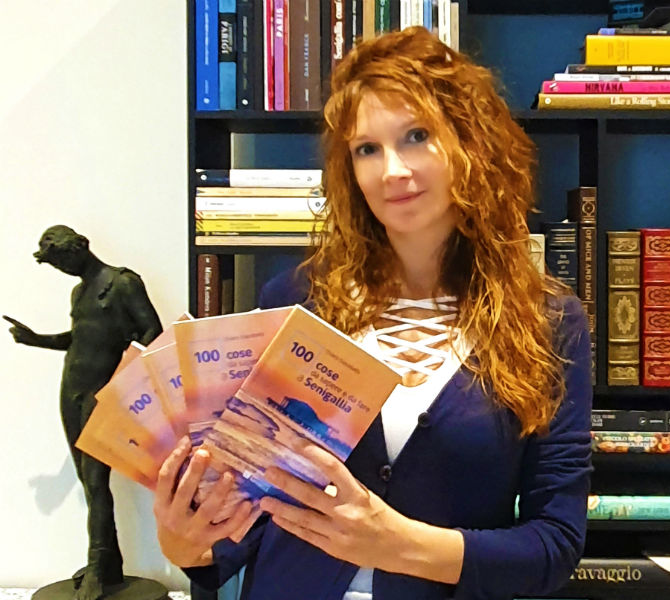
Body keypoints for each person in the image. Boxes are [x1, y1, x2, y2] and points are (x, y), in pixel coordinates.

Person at [153, 26, 592, 600]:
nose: (392, 171)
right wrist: (186, 543)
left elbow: (554, 546)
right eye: (367, 149)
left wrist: (396, 544)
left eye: (416, 137)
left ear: (470, 142)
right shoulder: (296, 301)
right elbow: (251, 513)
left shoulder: (548, 321)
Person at [5, 225, 163, 600]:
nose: (61, 268)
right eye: (54, 264)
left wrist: (125, 386)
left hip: (101, 395)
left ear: (79, 248)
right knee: (88, 482)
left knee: (95, 481)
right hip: (71, 390)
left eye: (61, 259)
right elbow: (79, 338)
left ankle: (96, 568)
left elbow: (153, 334)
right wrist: (36, 339)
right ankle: (109, 564)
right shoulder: (79, 292)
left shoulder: (122, 284)